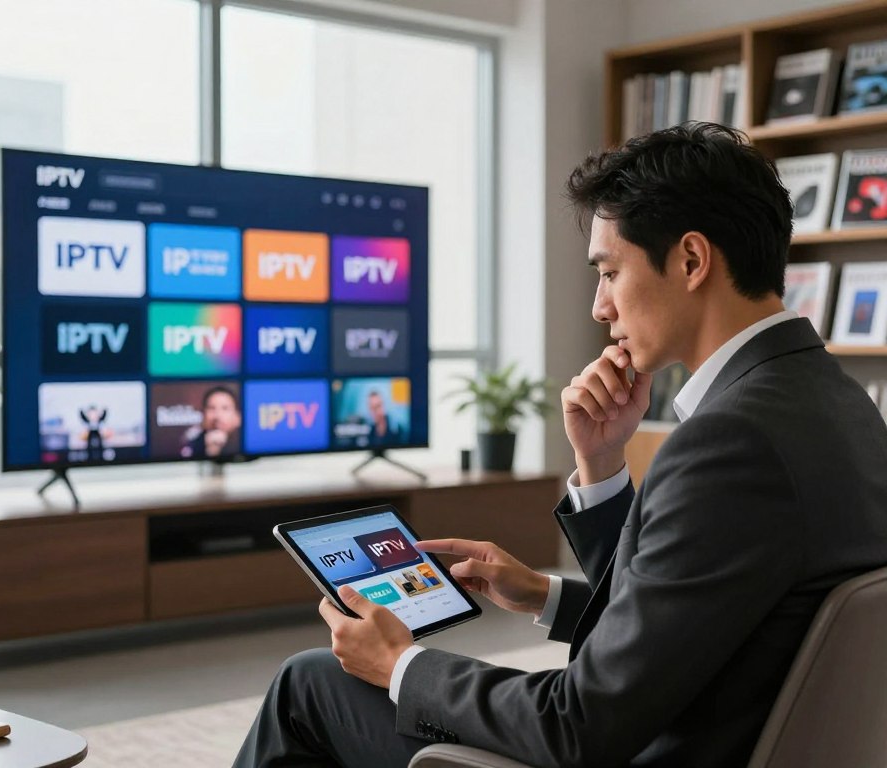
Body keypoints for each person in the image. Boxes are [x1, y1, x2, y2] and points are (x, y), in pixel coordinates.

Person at [232, 123, 887, 768]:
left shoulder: (730, 443)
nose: (601, 306)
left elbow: (578, 726)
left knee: (310, 685)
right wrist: (592, 484)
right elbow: (695, 626)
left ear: (691, 260)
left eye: (609, 272)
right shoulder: (838, 402)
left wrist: (401, 663)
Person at [182, 385, 242, 459]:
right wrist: (211, 452)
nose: (217, 416)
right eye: (211, 408)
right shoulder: (193, 445)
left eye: (225, 408)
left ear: (238, 416)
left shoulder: (246, 441)